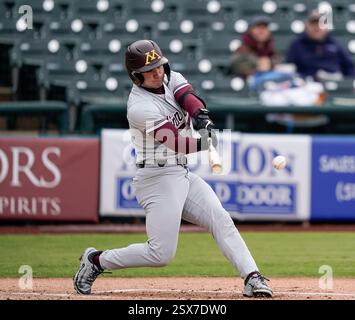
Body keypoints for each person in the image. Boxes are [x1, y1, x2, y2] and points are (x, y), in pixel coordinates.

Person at [73, 40, 273, 298]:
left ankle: (252, 277)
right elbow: (175, 142)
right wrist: (206, 141)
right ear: (136, 77)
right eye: (151, 70)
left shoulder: (170, 77)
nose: (158, 72)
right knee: (160, 254)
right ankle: (97, 260)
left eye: (160, 66)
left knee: (220, 219)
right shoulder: (140, 108)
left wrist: (201, 115)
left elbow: (187, 97)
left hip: (181, 174)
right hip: (157, 178)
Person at [286, 9, 355, 80]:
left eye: (321, 24)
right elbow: (290, 68)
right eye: (313, 24)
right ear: (307, 25)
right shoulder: (297, 45)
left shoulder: (335, 44)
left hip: (333, 82)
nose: (316, 28)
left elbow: (349, 67)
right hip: (307, 83)